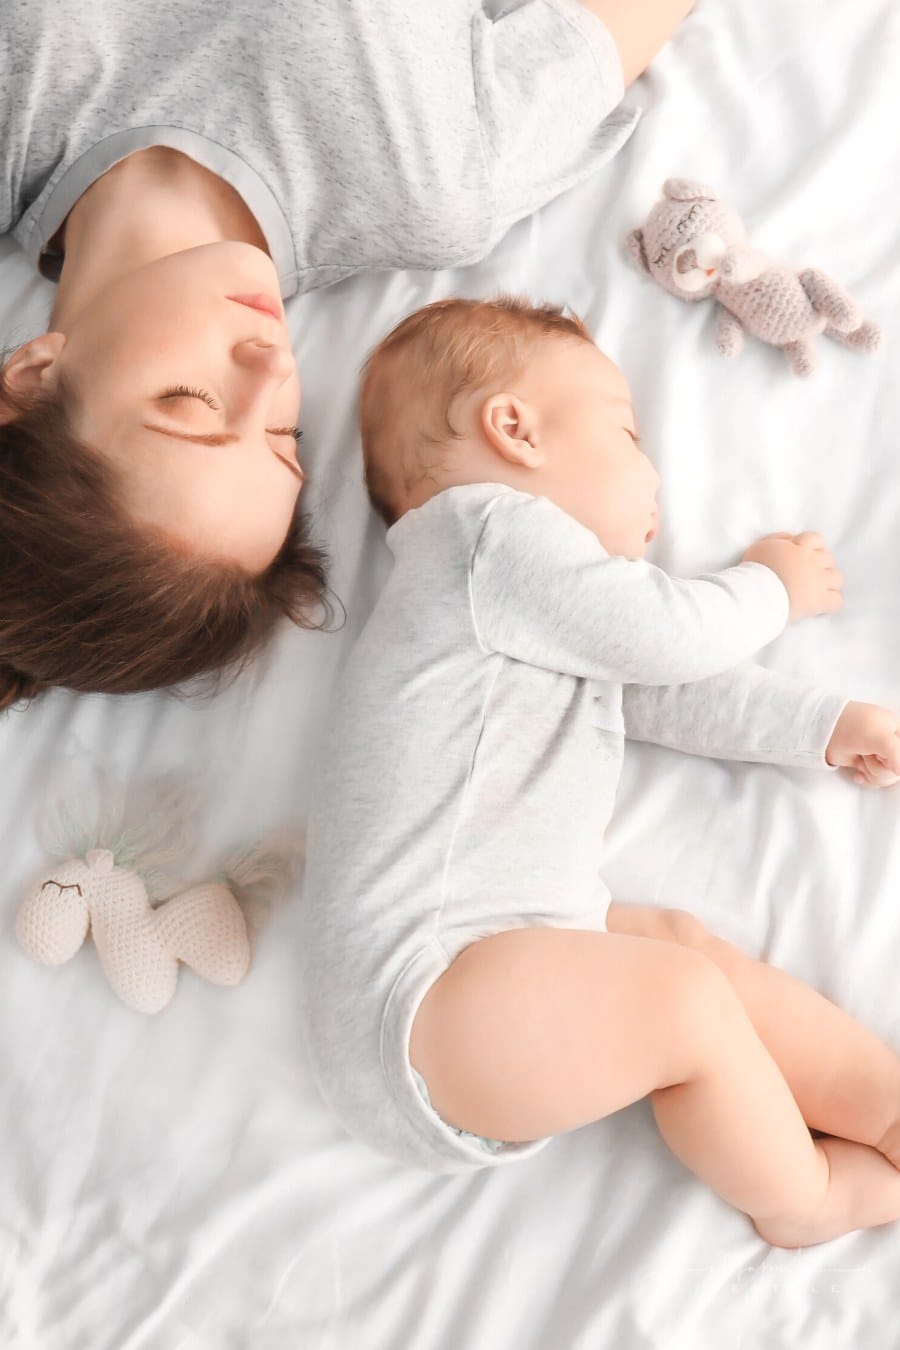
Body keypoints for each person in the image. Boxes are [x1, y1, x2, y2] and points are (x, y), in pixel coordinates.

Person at [297, 297, 900, 1250]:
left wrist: (821, 727)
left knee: (681, 949)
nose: (653, 473)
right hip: (421, 1001)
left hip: (482, 987)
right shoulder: (484, 536)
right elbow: (669, 636)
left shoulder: (522, 611)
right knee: (680, 1001)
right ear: (516, 429)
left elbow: (660, 686)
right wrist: (771, 586)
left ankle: (883, 1106)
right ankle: (801, 1197)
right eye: (626, 433)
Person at [0, 0, 695, 708]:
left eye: (191, 403)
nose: (273, 366)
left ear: (31, 379)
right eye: (283, 434)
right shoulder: (433, 189)